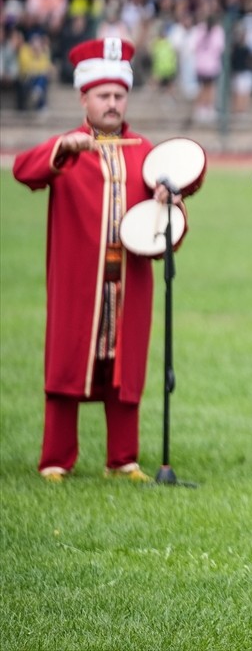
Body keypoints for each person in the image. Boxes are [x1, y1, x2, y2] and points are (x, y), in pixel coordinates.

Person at [13, 38, 178, 484]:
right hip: (78, 277)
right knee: (68, 360)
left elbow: (172, 218)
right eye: (102, 95)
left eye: (118, 95)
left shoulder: (144, 149)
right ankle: (56, 458)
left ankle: (123, 458)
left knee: (125, 364)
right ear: (83, 97)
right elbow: (23, 170)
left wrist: (169, 199)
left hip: (131, 276)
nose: (111, 104)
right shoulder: (67, 147)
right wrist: (62, 150)